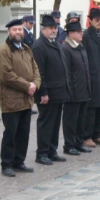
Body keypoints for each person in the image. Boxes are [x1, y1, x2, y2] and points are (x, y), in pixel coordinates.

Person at [0, 19, 41, 177]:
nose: (17, 32)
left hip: (26, 100)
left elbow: (35, 69)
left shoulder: (26, 49)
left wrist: (35, 84)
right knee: (11, 133)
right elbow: (6, 75)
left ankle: (19, 161)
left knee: (23, 133)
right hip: (11, 100)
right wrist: (27, 85)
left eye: (20, 30)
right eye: (14, 30)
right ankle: (6, 164)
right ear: (9, 31)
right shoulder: (4, 50)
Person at [32, 14, 70, 165]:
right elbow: (39, 72)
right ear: (43, 30)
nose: (54, 30)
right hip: (47, 93)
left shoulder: (55, 44)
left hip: (58, 91)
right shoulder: (39, 46)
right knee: (46, 124)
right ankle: (42, 153)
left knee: (54, 124)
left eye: (55, 28)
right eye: (50, 28)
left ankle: (52, 151)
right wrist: (43, 92)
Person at [61, 20, 92, 155]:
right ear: (71, 33)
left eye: (81, 32)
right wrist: (70, 90)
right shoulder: (66, 48)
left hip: (84, 90)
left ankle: (79, 143)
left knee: (81, 120)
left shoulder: (80, 47)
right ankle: (69, 145)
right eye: (78, 32)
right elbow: (66, 72)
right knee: (70, 120)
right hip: (73, 92)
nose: (81, 34)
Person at [82, 8, 100, 147]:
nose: (99, 22)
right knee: (92, 108)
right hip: (93, 77)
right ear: (90, 20)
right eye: (96, 20)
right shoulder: (86, 36)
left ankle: (96, 134)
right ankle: (86, 135)